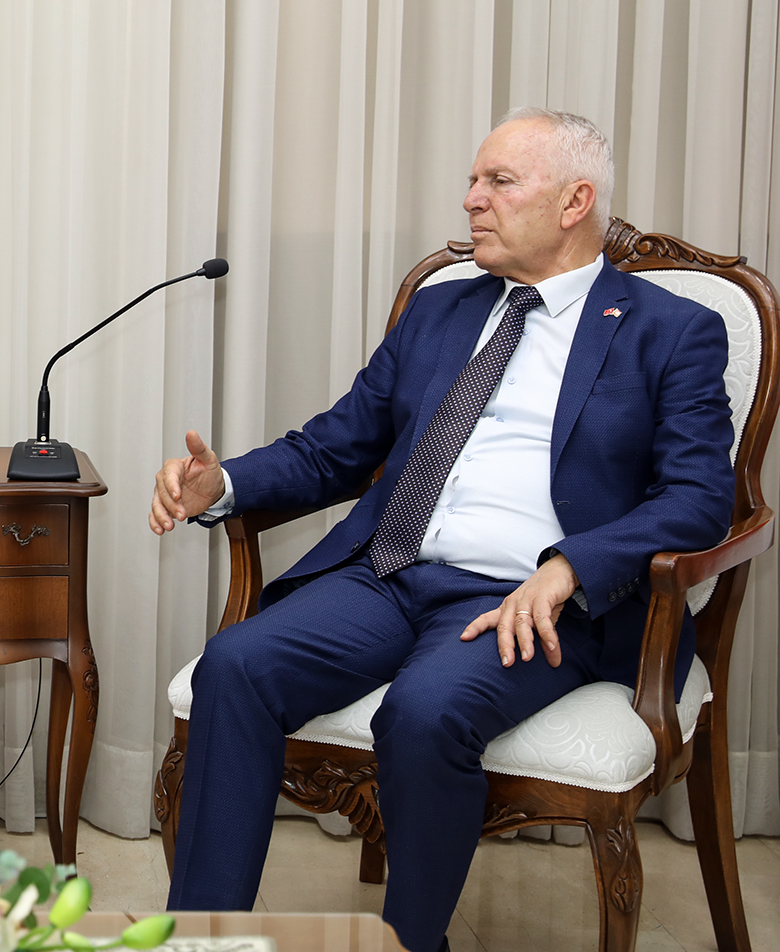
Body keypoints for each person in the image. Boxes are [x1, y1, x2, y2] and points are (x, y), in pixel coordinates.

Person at [149, 109, 734, 952]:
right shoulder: (441, 310)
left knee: (425, 712)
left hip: (529, 601)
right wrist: (224, 484)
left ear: (575, 202)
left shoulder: (669, 330)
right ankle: (203, 936)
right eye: (472, 181)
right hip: (391, 574)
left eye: (499, 182)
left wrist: (571, 567)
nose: (471, 200)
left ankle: (413, 942)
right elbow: (336, 447)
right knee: (236, 664)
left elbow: (701, 497)